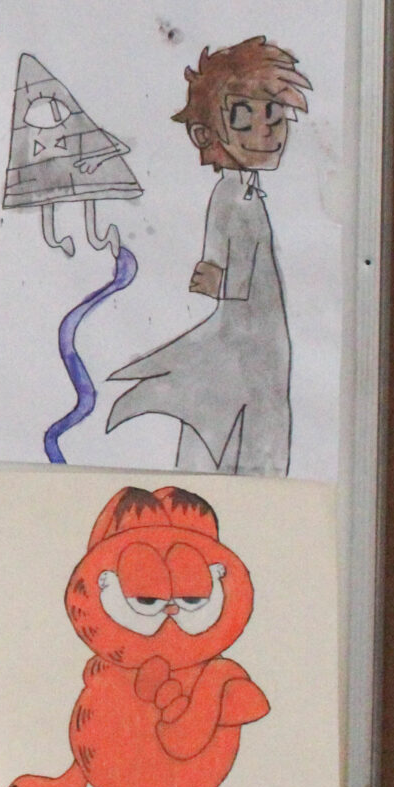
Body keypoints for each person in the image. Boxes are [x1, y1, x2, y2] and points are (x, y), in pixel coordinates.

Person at [105, 37, 312, 476]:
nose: (266, 130)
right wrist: (221, 283)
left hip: (260, 341)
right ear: (205, 134)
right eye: (244, 116)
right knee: (235, 430)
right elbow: (225, 276)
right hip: (249, 342)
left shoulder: (245, 196)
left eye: (275, 114)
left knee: (252, 425)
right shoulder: (232, 197)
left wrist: (222, 282)